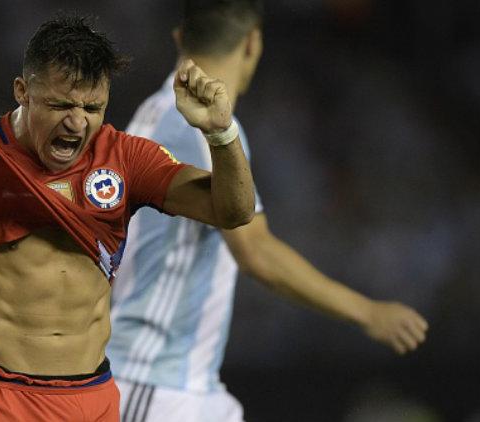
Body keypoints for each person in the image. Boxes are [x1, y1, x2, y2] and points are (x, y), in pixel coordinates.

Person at [0, 14, 256, 422]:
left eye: (92, 107)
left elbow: (233, 211)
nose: (77, 121)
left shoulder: (125, 158)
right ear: (22, 92)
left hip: (91, 397)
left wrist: (221, 134)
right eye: (60, 104)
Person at [107, 1, 430, 421]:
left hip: (175, 380)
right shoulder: (203, 129)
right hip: (157, 382)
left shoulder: (154, 113)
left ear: (179, 38)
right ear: (253, 43)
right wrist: (366, 311)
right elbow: (254, 250)